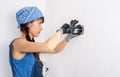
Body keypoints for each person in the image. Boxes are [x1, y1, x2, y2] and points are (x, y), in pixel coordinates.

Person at [9, 6, 83, 77]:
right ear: (28, 24)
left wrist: (68, 38)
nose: (41, 28)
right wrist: (61, 31)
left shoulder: (31, 46)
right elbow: (47, 46)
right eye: (39, 23)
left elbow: (54, 49)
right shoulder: (17, 43)